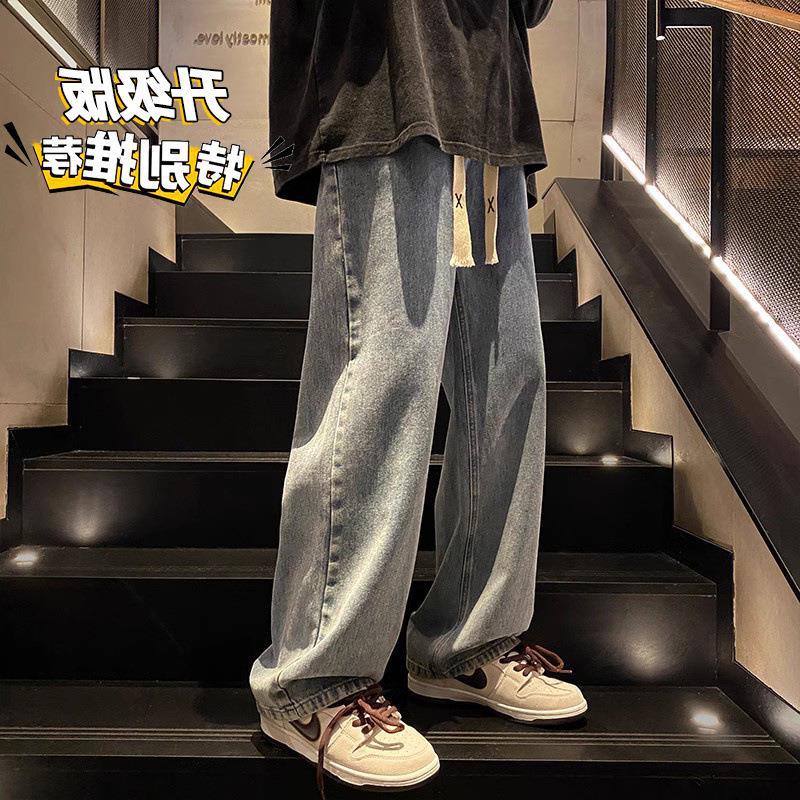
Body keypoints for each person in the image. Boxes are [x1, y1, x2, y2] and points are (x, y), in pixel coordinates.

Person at [250, 0, 587, 793]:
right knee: (384, 374)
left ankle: (467, 644)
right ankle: (313, 680)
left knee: (507, 383)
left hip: (491, 109)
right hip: (386, 86)